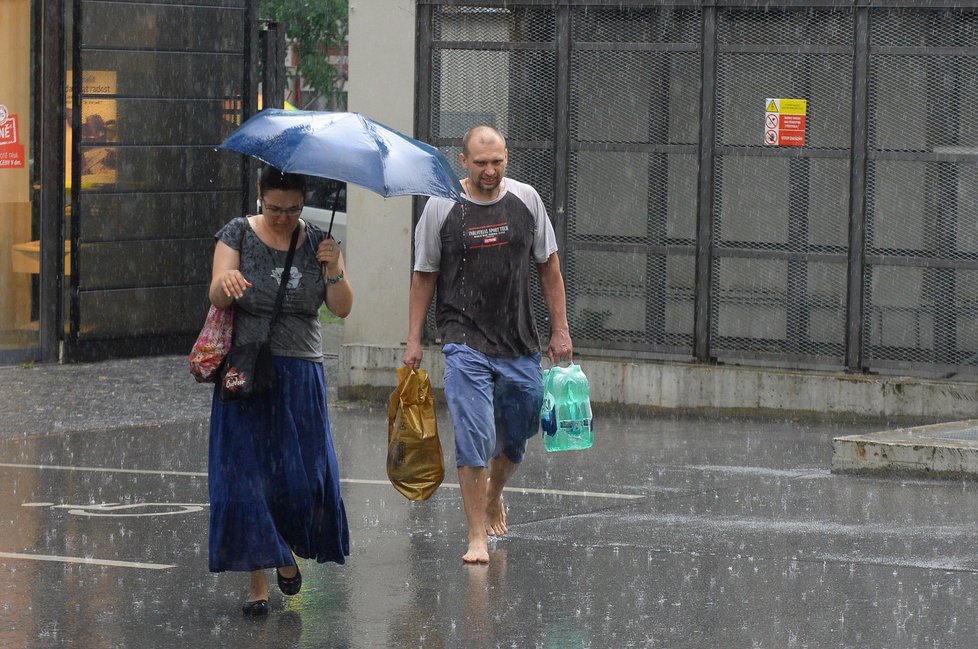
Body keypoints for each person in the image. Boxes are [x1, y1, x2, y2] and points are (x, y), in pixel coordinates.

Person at [403, 125, 573, 564]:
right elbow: (424, 275)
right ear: (463, 161)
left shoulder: (526, 200)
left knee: (520, 428)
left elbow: (549, 268)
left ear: (506, 158)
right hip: (463, 338)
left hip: (518, 341)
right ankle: (476, 536)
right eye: (480, 163)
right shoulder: (442, 205)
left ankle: (495, 492)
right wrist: (414, 338)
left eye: (497, 162)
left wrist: (561, 330)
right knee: (474, 432)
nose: (490, 171)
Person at [207, 166, 353, 615]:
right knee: (245, 478)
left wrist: (333, 268)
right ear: (260, 197)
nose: (283, 217)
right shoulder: (238, 233)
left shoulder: (318, 242)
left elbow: (342, 308)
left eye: (292, 209)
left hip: (302, 372)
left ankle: (284, 548)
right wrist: (227, 286)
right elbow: (216, 292)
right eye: (274, 208)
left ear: (303, 202)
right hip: (249, 372)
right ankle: (259, 583)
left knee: (304, 477)